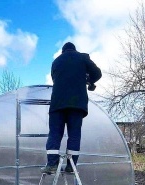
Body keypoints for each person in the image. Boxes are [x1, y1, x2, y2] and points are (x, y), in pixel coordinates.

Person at [41, 42, 102, 174]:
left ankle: (51, 164)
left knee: (55, 134)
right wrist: (89, 80)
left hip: (57, 104)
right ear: (74, 50)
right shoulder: (82, 58)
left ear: (63, 51)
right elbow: (97, 73)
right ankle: (71, 166)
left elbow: (56, 79)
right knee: (74, 135)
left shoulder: (56, 62)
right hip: (76, 105)